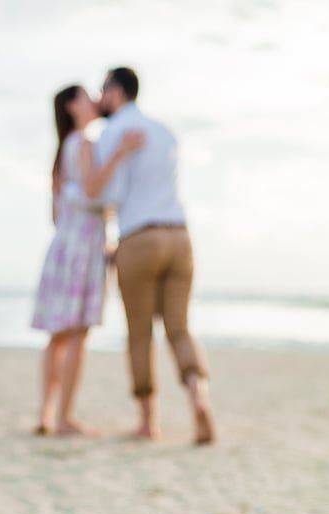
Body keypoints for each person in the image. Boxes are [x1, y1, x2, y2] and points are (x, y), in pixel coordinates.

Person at [96, 67, 216, 444]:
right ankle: (199, 396)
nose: (99, 99)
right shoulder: (165, 132)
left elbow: (109, 194)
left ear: (116, 91)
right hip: (179, 235)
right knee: (179, 328)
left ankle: (149, 423)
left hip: (139, 237)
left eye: (103, 91)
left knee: (140, 333)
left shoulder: (114, 132)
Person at [31, 84, 144, 435]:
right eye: (85, 96)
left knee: (58, 335)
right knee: (77, 334)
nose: (94, 99)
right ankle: (64, 417)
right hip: (84, 244)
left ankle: (47, 414)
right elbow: (93, 188)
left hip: (64, 243)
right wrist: (120, 153)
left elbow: (57, 212)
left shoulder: (63, 147)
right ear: (72, 107)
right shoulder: (83, 142)